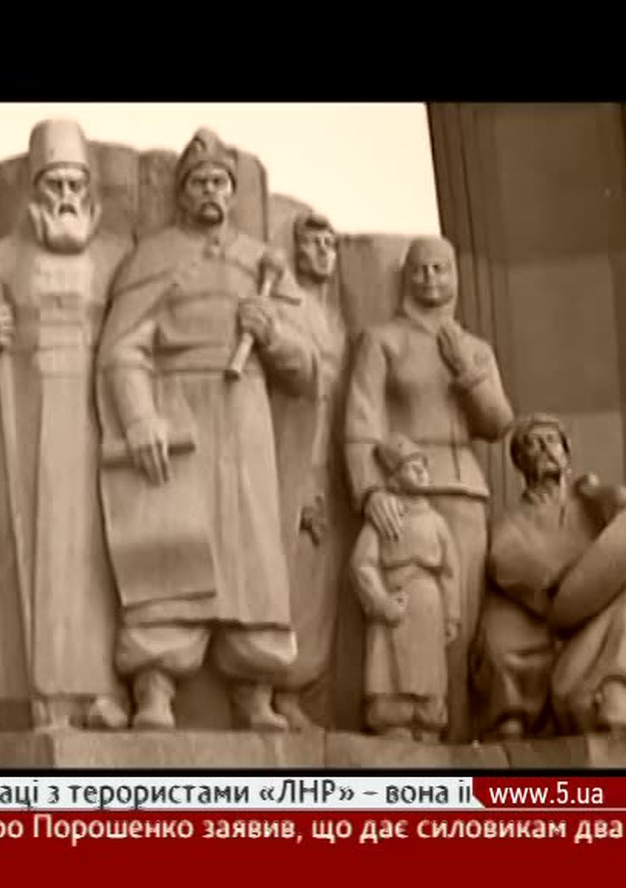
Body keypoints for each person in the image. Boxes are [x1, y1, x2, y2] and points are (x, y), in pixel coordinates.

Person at [97, 128, 324, 730]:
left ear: (232, 191)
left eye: (220, 182)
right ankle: (154, 686)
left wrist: (273, 335)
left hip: (246, 417)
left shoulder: (263, 263)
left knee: (253, 557)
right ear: (182, 192)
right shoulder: (152, 259)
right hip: (176, 414)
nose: (209, 191)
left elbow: (308, 367)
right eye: (198, 182)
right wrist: (139, 416)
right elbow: (123, 349)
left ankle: (255, 689)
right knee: (167, 551)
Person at [0, 120, 132, 732]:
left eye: (76, 184)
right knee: (4, 545)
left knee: (87, 553)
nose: (65, 196)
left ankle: (95, 689)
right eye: (54, 184)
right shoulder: (0, 260)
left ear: (91, 192)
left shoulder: (116, 258)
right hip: (18, 412)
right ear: (33, 192)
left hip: (88, 417)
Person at [344, 235, 514, 741]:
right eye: (420, 269)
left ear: (455, 275)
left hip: (465, 491)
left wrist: (468, 372)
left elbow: (498, 423)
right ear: (406, 277)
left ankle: (455, 736)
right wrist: (371, 491)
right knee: (405, 615)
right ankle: (402, 725)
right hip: (406, 491)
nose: (430, 278)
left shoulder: (474, 348)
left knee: (458, 621)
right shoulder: (384, 340)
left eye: (440, 268)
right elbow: (361, 422)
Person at [472, 414, 626, 736]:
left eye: (552, 441)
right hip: (556, 647)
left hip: (594, 637)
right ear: (520, 463)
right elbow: (510, 566)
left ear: (567, 453)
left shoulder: (592, 508)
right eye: (533, 444)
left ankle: (617, 696)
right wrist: (575, 577)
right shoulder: (508, 524)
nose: (545, 449)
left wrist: (602, 494)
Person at [268, 210, 350, 730]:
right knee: (295, 574)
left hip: (332, 462)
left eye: (329, 243)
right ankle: (281, 688)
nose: (322, 252)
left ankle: (302, 688)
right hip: (298, 455)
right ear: (295, 249)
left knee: (321, 584)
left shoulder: (336, 317)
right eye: (312, 242)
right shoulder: (287, 303)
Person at [350, 434, 460, 742]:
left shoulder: (437, 522)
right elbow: (362, 563)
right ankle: (392, 721)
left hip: (430, 606)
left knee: (430, 670)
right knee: (389, 668)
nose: (422, 473)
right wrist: (380, 601)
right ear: (394, 479)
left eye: (424, 467)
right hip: (394, 603)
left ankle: (428, 720)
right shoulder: (383, 520)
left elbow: (450, 571)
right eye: (413, 468)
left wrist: (452, 616)